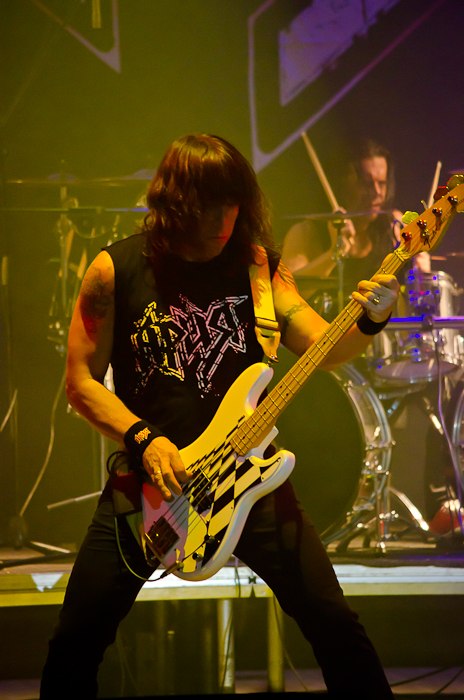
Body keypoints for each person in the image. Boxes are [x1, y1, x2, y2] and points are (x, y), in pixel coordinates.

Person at [40, 133, 399, 698]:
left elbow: (324, 349)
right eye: (208, 205)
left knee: (335, 624)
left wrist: (372, 319)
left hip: (245, 479)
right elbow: (80, 381)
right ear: (175, 203)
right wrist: (143, 438)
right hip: (151, 486)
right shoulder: (116, 269)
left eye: (233, 203)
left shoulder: (258, 270)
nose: (224, 219)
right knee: (76, 640)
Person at [281, 137, 430, 319]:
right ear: (342, 184)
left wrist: (422, 277)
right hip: (324, 333)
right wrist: (333, 254)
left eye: (382, 183)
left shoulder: (394, 227)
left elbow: (414, 306)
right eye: (367, 184)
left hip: (380, 334)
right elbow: (285, 296)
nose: (377, 193)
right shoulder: (307, 232)